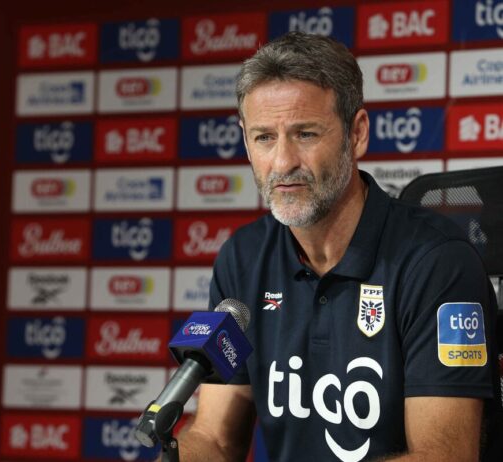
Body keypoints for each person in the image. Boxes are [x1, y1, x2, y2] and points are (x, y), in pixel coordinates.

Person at [176, 32, 501, 461]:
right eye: (264, 137)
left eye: (305, 134)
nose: (283, 162)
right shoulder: (243, 258)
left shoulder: (437, 262)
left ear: (357, 133)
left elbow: (444, 457)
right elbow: (215, 437)